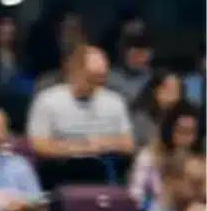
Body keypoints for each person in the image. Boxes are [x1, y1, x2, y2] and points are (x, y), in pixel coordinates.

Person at [27, 44, 136, 189]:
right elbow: (39, 145)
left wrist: (103, 144)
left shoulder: (115, 101)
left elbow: (128, 145)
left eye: (101, 78)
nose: (97, 85)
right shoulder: (48, 100)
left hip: (105, 171)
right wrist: (82, 148)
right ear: (75, 72)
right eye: (91, 78)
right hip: (60, 173)